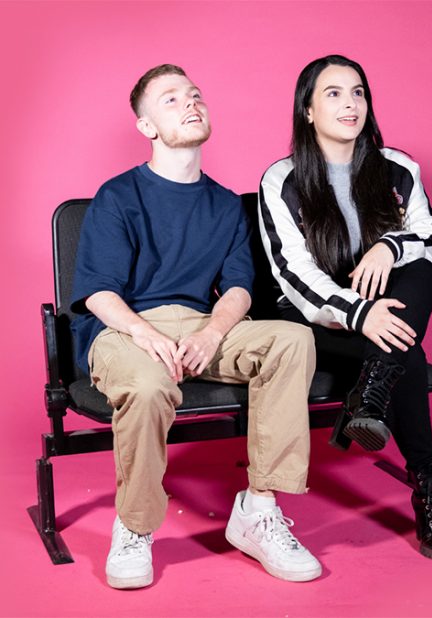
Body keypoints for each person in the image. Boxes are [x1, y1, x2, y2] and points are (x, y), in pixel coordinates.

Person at [71, 64, 322, 588]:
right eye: (170, 100)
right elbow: (99, 293)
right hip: (127, 329)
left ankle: (258, 508)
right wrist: (149, 336)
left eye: (194, 95)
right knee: (145, 384)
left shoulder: (227, 204)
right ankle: (135, 526)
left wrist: (211, 334)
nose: (190, 103)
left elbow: (237, 288)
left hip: (205, 323)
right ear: (146, 127)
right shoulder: (118, 196)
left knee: (292, 338)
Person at [258, 55, 432, 561]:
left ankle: (369, 397)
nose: (350, 104)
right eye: (333, 94)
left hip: (384, 304)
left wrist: (387, 246)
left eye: (358, 93)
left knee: (420, 271)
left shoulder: (398, 167)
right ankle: (429, 482)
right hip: (315, 318)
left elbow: (431, 235)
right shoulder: (281, 180)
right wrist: (358, 313)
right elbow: (295, 278)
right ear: (307, 110)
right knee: (402, 347)